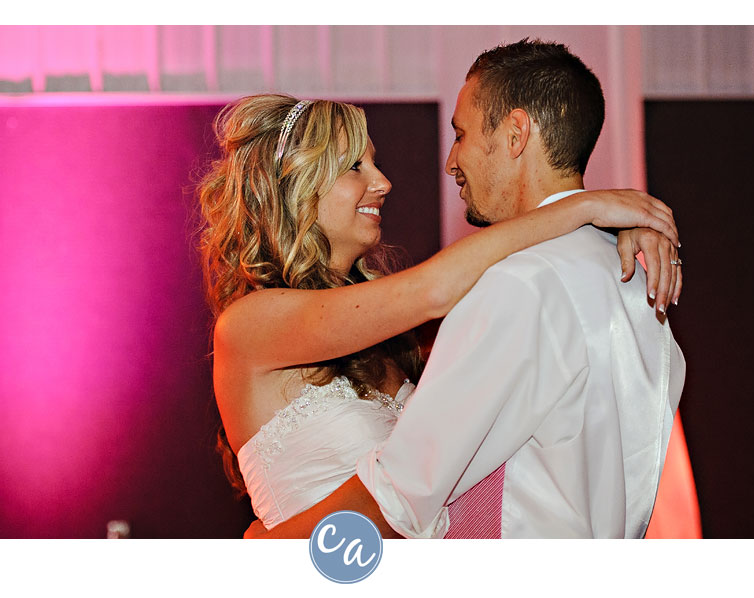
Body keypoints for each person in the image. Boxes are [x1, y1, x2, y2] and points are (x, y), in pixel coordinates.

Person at [196, 89, 681, 537]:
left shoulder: (387, 336)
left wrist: (611, 232)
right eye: (354, 168)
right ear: (295, 189)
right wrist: (586, 207)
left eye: (374, 163)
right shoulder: (249, 326)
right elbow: (436, 289)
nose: (382, 182)